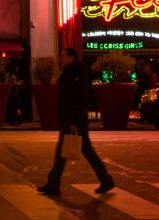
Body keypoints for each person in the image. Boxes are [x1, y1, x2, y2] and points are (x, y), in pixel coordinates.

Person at [39, 47, 114, 197]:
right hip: (73, 118)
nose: (61, 59)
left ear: (71, 57)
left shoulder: (75, 75)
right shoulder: (72, 73)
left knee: (70, 151)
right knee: (80, 150)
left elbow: (76, 99)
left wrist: (72, 120)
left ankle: (54, 183)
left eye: (63, 56)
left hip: (74, 119)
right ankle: (105, 180)